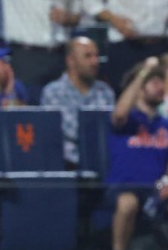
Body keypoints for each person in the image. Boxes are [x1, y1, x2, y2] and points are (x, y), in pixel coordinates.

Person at [106, 59, 168, 250]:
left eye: (161, 81)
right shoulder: (128, 120)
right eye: (154, 82)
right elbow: (119, 113)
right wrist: (144, 72)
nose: (160, 87)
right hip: (124, 187)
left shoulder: (167, 124)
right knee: (128, 203)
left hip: (156, 189)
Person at [41, 37, 115, 167]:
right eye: (88, 56)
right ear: (71, 61)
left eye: (96, 56)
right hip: (66, 165)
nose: (95, 61)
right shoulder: (53, 92)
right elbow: (68, 132)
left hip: (102, 163)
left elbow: (111, 130)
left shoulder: (105, 92)